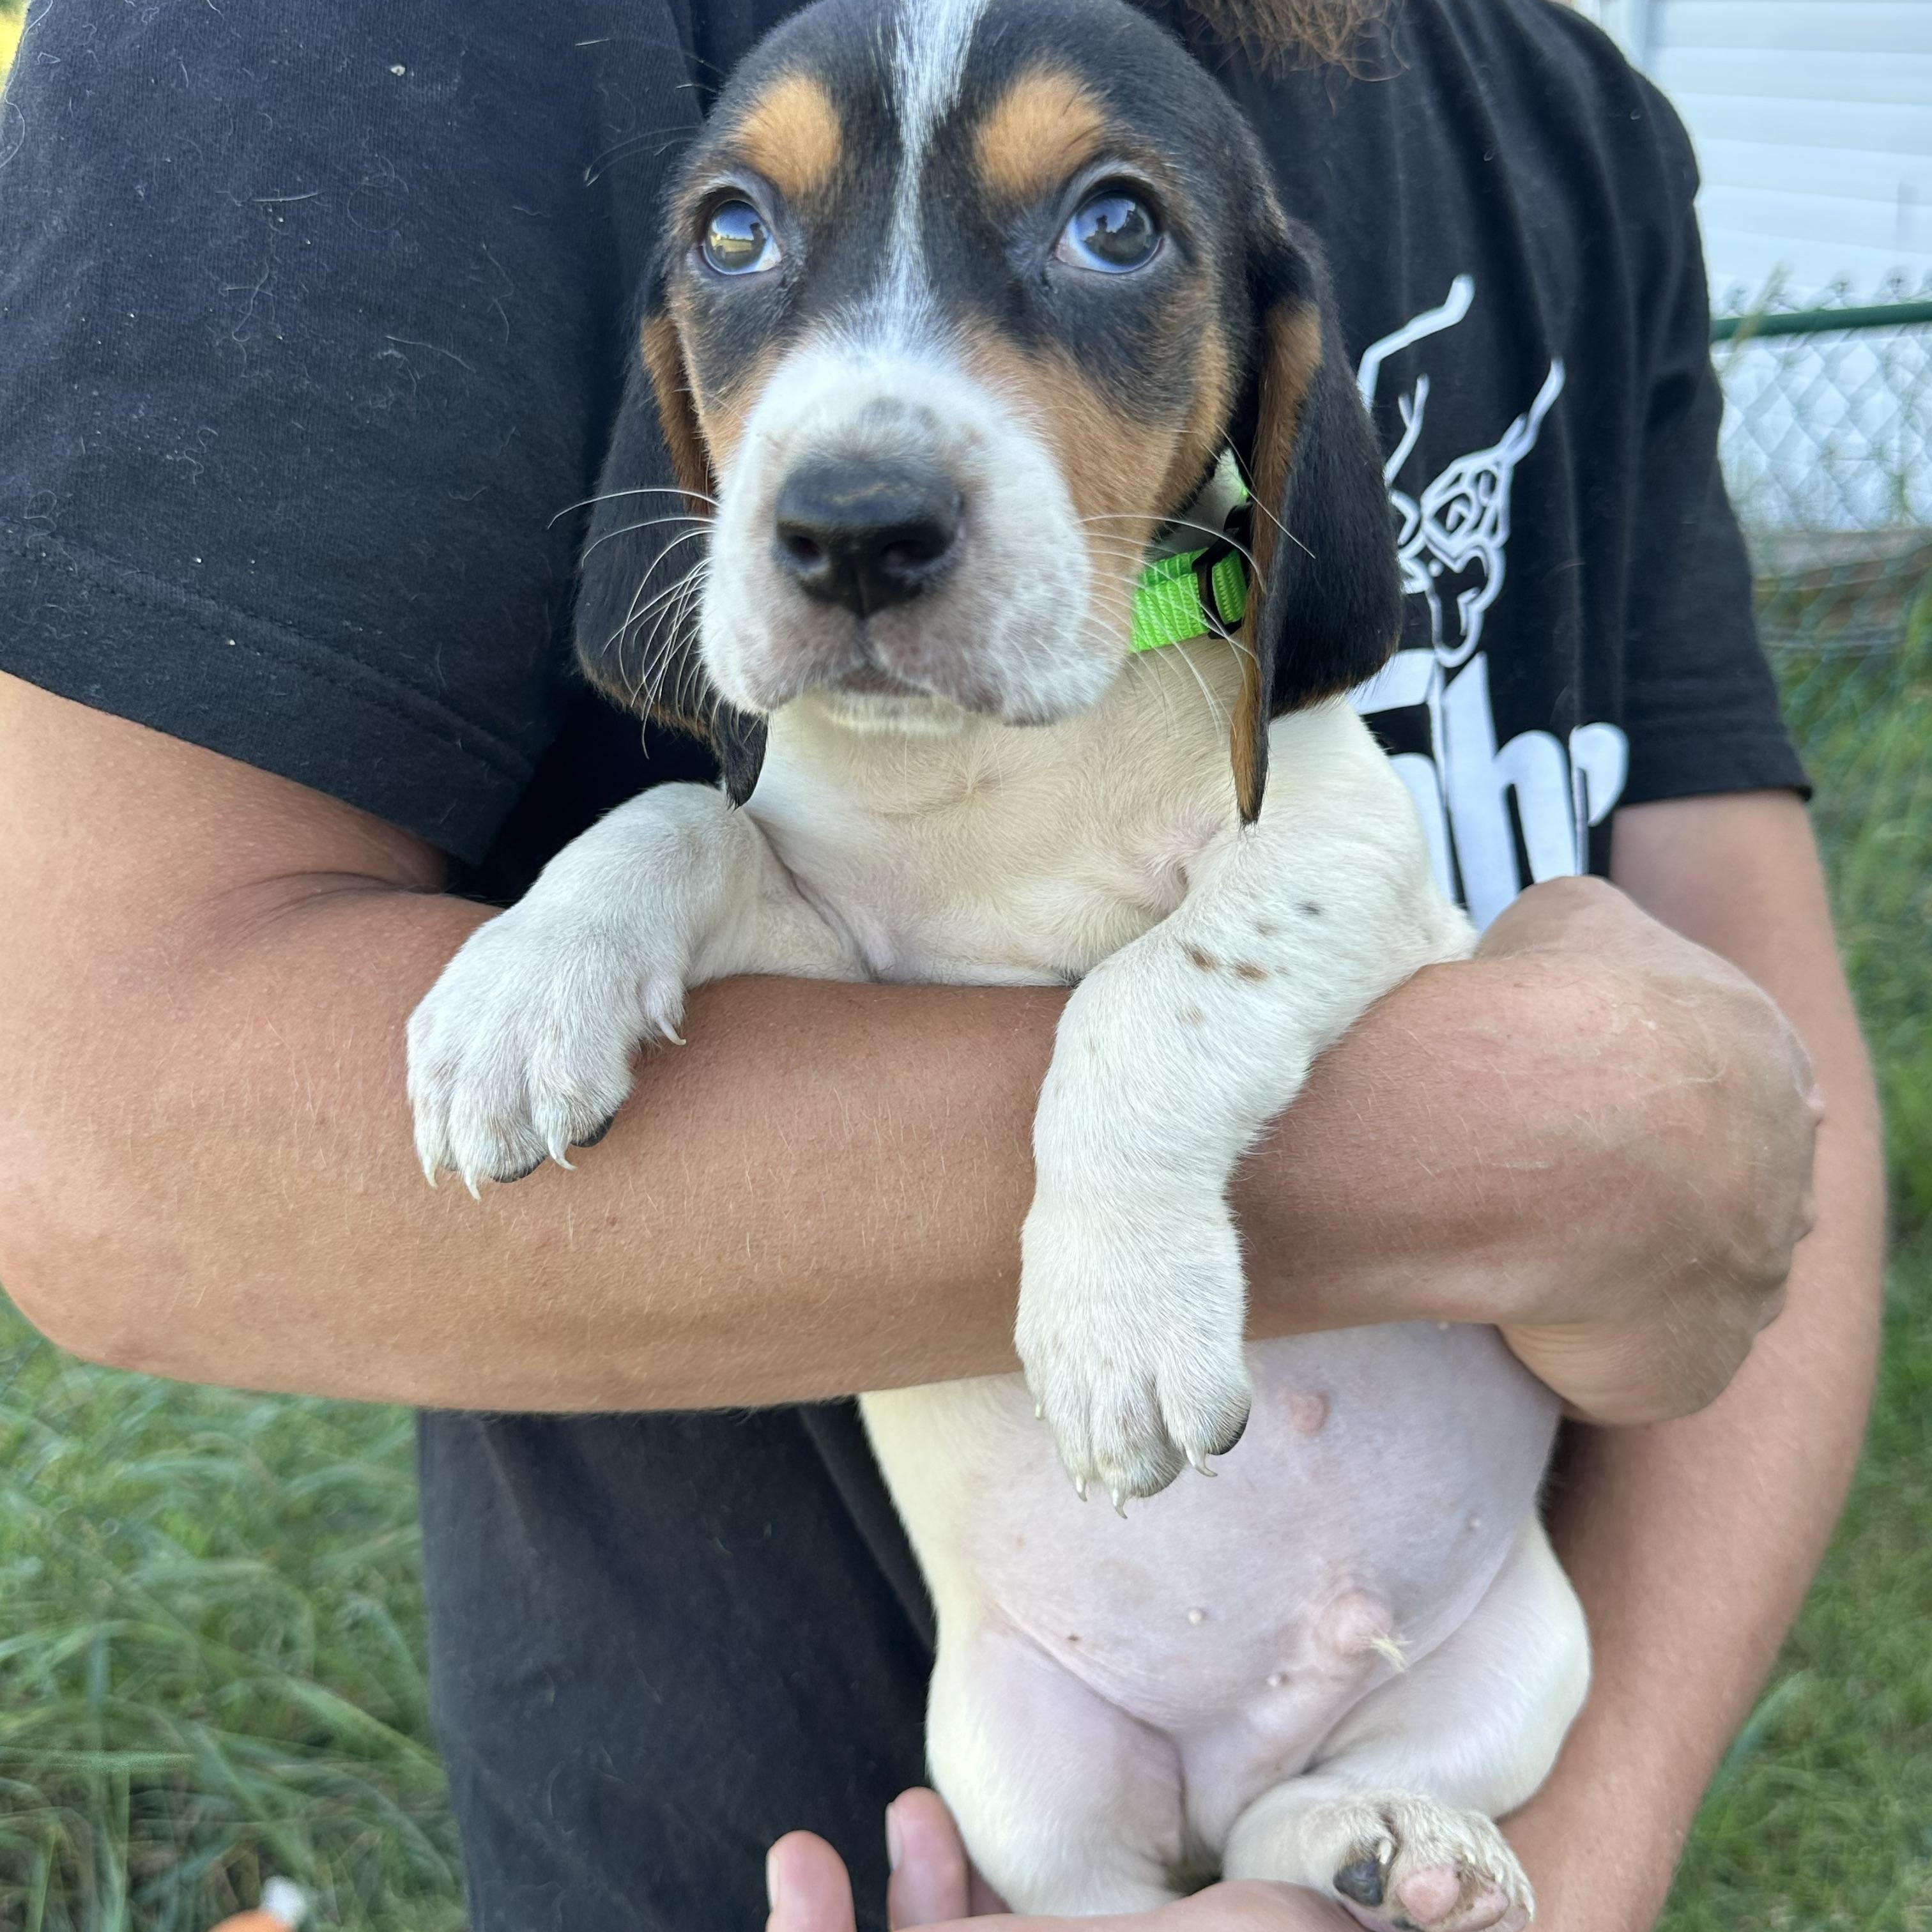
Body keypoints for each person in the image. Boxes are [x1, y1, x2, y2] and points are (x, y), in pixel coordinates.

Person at [0, 1, 1880, 1929]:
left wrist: (1577, 1862)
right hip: (866, 1806)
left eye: (1113, 228)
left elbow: (1646, 1000)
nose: (870, 466)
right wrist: (623, 885)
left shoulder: (1569, 118)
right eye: (741, 233)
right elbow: (106, 1147)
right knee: (1037, 1801)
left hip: (1468, 1691)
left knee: (1497, 1695)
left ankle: (1336, 1831)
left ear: (1269, 389)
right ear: (676, 399)